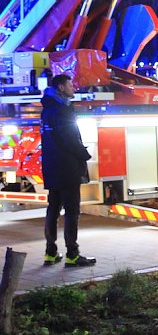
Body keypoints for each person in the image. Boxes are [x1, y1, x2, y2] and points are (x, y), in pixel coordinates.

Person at [41, 74, 96, 267]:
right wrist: (85, 155)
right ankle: (72, 254)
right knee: (72, 212)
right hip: (67, 167)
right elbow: (70, 139)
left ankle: (50, 252)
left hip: (51, 167)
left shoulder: (47, 110)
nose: (74, 87)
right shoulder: (63, 110)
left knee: (53, 209)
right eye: (70, 85)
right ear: (61, 87)